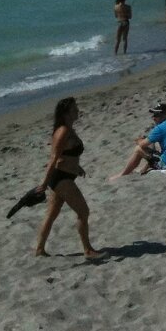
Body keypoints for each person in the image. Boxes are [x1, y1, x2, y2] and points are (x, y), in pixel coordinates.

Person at [34, 97, 102, 258]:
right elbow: (53, 159)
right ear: (65, 113)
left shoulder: (69, 129)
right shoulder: (63, 131)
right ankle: (88, 250)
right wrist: (44, 184)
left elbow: (66, 155)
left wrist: (76, 167)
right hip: (60, 178)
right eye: (74, 109)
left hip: (66, 176)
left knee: (51, 214)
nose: (77, 111)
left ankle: (39, 250)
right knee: (83, 211)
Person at [112, 102, 166, 177]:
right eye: (153, 115)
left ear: (165, 114)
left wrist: (139, 140)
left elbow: (142, 145)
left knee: (138, 149)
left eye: (156, 115)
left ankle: (123, 174)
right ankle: (143, 170)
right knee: (155, 150)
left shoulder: (160, 128)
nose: (153, 118)